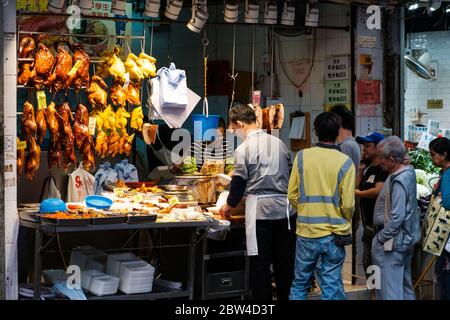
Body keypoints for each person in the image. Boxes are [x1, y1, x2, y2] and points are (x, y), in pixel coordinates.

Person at [219, 103, 296, 300]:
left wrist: (228, 206)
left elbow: (238, 183)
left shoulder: (244, 149)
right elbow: (291, 173)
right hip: (285, 212)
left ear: (239, 124)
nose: (234, 133)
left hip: (260, 213)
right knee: (284, 265)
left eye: (233, 128)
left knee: (260, 266)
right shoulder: (279, 143)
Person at [288, 111, 355, 300]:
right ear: (338, 133)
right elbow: (349, 204)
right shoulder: (345, 162)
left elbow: (292, 194)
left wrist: (306, 209)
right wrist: (341, 218)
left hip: (306, 232)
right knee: (332, 285)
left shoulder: (301, 157)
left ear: (315, 131)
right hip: (334, 235)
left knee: (300, 284)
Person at [371, 136, 421, 300]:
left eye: (381, 158)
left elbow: (397, 217)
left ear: (392, 159)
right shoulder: (407, 171)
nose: (379, 161)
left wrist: (381, 238)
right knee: (404, 287)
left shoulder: (399, 179)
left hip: (393, 242)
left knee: (390, 290)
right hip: (404, 241)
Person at [355, 132, 388, 276]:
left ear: (379, 148)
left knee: (378, 269)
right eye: (363, 146)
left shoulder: (382, 168)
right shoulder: (369, 169)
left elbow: (378, 191)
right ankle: (373, 296)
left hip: (380, 229)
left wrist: (359, 194)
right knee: (369, 268)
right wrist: (361, 170)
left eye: (368, 146)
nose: (364, 149)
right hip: (368, 227)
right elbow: (356, 187)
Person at [429, 137, 450, 300]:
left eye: (433, 155)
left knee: (444, 275)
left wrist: (440, 198)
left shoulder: (448, 174)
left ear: (444, 154)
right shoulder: (444, 173)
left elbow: (448, 201)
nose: (432, 158)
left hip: (447, 237)